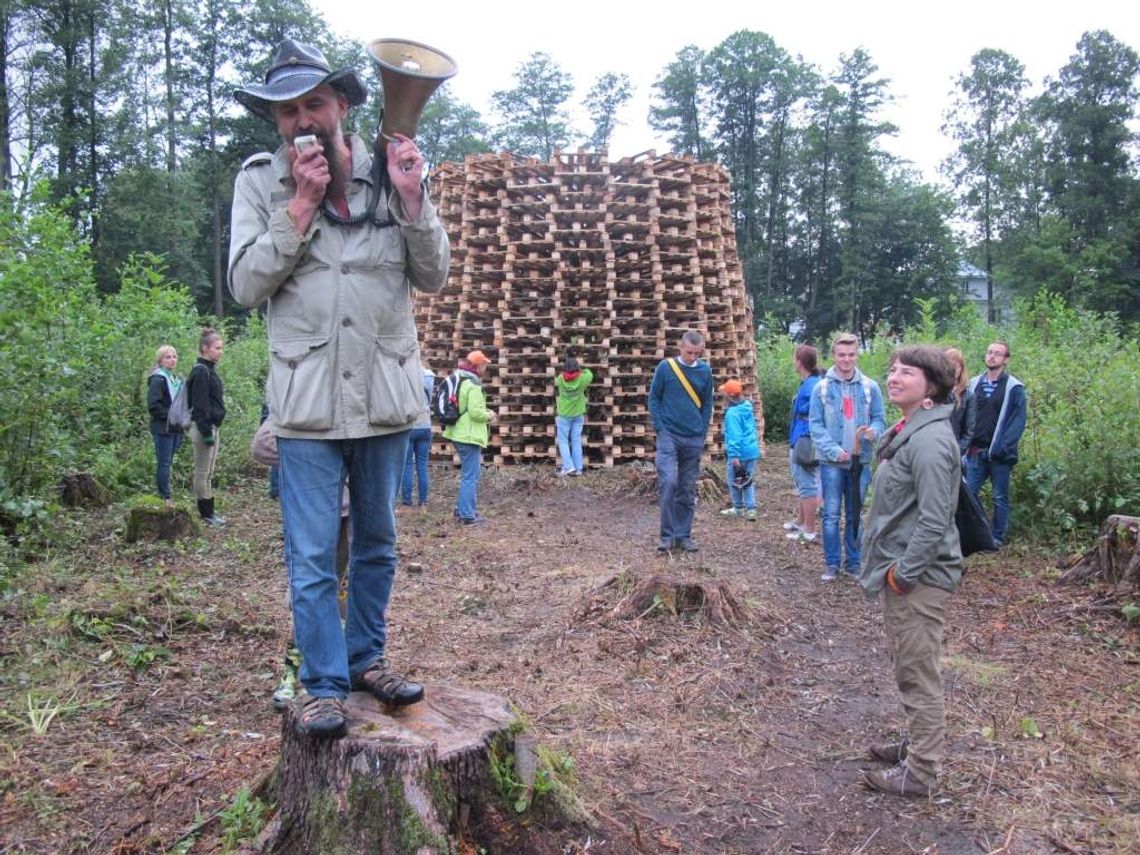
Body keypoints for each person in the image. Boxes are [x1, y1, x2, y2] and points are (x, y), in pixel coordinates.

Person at [228, 39, 449, 738]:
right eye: (286, 112)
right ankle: (322, 684)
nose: (300, 121)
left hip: (382, 397)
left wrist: (414, 201)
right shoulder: (261, 182)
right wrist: (298, 209)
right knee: (313, 553)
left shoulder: (393, 172)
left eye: (313, 104)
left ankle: (365, 660)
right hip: (306, 406)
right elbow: (243, 285)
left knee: (378, 544)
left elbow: (434, 273)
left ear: (343, 105)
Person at [858, 345, 963, 798]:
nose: (895, 376)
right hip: (904, 571)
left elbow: (936, 519)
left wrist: (905, 572)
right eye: (893, 370)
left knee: (919, 673)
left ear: (931, 388)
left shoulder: (931, 441)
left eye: (908, 372)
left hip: (918, 579)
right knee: (909, 665)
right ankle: (915, 745)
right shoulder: (910, 431)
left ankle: (919, 773)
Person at [808, 332, 886, 581]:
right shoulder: (822, 388)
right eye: (842, 355)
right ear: (834, 356)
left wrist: (874, 431)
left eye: (851, 355)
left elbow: (880, 419)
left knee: (855, 512)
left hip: (859, 462)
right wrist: (833, 450)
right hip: (832, 463)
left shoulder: (869, 387)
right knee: (831, 514)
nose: (846, 359)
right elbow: (816, 425)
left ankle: (853, 562)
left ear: (857, 355)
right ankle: (831, 563)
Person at [648, 330, 713, 553]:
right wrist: (660, 427)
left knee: (686, 488)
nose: (692, 357)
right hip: (669, 435)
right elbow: (654, 398)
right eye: (689, 353)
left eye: (697, 353)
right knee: (668, 483)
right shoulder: (666, 368)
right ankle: (666, 537)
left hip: (693, 436)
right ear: (680, 348)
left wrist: (702, 431)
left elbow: (707, 404)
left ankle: (683, 536)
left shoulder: (705, 371)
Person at [961, 341, 1026, 547]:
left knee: (1000, 497)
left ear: (1006, 359)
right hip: (974, 451)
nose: (992, 356)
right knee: (969, 493)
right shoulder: (974, 384)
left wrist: (1003, 448)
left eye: (997, 354)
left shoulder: (1013, 388)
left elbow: (1018, 421)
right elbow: (965, 415)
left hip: (1000, 454)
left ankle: (997, 537)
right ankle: (981, 533)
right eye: (989, 352)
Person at [442, 350, 492, 524]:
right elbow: (476, 412)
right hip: (469, 435)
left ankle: (461, 509)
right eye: (484, 364)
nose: (486, 367)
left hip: (458, 433)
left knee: (469, 474)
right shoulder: (473, 385)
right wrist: (489, 415)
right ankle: (467, 515)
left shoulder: (460, 380)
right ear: (477, 366)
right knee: (471, 476)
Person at [188, 328, 226, 527]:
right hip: (204, 428)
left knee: (209, 473)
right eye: (217, 348)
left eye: (221, 348)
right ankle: (206, 515)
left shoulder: (209, 370)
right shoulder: (201, 371)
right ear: (205, 348)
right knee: (202, 472)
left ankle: (210, 512)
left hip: (212, 427)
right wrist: (207, 433)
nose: (221, 351)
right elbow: (200, 406)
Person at [786, 344, 822, 543]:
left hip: (806, 439)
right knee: (801, 481)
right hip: (798, 436)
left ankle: (809, 529)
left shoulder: (814, 384)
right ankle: (801, 520)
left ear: (799, 362)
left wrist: (808, 430)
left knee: (807, 483)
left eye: (795, 359)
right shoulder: (807, 382)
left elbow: (819, 410)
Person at [147, 345, 185, 505]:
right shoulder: (158, 379)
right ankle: (165, 496)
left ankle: (166, 491)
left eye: (174, 357)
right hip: (163, 428)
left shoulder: (176, 379)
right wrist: (170, 417)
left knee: (169, 460)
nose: (172, 360)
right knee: (164, 462)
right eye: (168, 357)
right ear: (160, 360)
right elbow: (154, 406)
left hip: (177, 427)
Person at [717, 379, 759, 521]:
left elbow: (735, 435)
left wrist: (734, 456)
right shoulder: (747, 406)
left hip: (739, 452)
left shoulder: (732, 413)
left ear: (729, 396)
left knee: (733, 479)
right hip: (752, 450)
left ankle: (738, 507)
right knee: (748, 479)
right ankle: (751, 509)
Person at [554, 353, 593, 476]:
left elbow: (558, 378)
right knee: (576, 440)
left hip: (564, 414)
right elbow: (590, 373)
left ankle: (569, 467)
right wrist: (581, 369)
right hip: (578, 414)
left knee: (563, 441)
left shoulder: (560, 379)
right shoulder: (583, 378)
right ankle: (578, 468)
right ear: (577, 367)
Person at [401, 365, 435, 507]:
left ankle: (407, 503)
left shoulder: (404, 375)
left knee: (407, 465)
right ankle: (423, 503)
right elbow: (430, 400)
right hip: (425, 425)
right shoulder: (429, 376)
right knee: (422, 465)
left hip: (410, 426)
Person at [943, 347, 969, 445]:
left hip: (956, 449)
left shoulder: (968, 396)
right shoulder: (935, 392)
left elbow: (969, 432)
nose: (953, 369)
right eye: (950, 365)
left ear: (961, 369)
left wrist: (958, 452)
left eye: (956, 366)